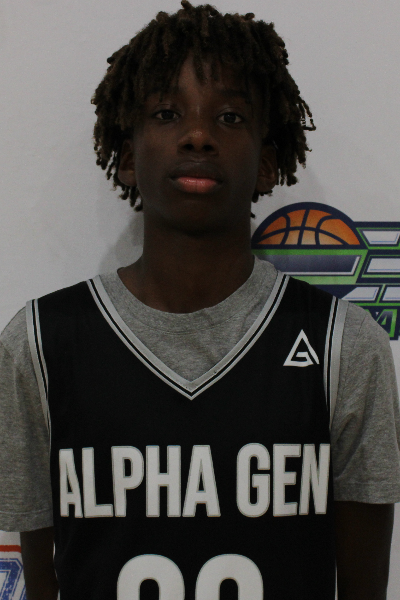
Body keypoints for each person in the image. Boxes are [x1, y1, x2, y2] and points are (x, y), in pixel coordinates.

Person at [1, 2, 399, 599]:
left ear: (267, 164)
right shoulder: (40, 345)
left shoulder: (345, 347)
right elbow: (42, 582)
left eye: (230, 117)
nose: (197, 135)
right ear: (127, 157)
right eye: (166, 113)